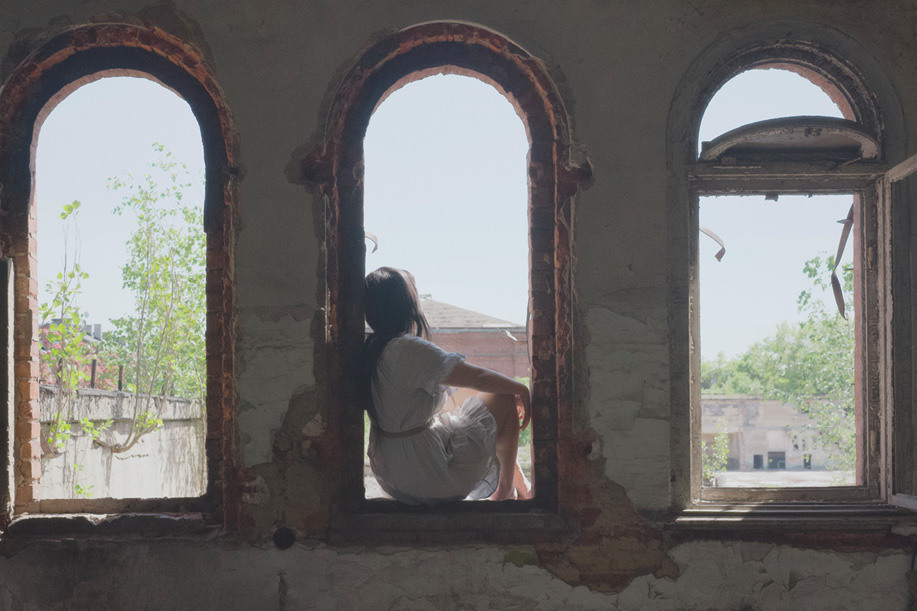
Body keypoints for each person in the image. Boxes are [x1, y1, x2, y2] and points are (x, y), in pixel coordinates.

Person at [360, 266, 532, 504]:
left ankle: (519, 484)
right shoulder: (407, 349)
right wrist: (520, 389)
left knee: (481, 395)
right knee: (503, 396)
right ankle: (506, 491)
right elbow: (479, 377)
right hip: (427, 478)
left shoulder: (370, 349)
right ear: (407, 305)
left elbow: (473, 383)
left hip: (391, 474)